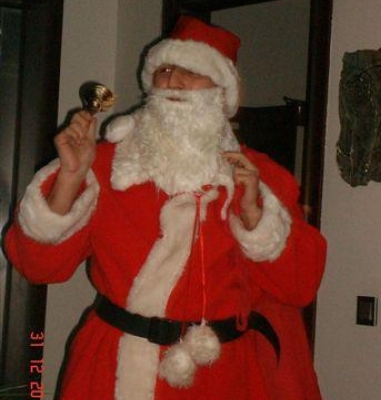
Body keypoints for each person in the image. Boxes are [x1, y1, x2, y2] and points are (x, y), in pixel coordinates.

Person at [4, 15, 326, 400]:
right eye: (165, 70)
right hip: (111, 373)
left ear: (223, 93)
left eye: (193, 71)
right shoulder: (106, 165)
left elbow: (300, 286)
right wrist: (70, 178)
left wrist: (255, 215)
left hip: (222, 378)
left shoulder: (259, 177)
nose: (174, 81)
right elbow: (38, 267)